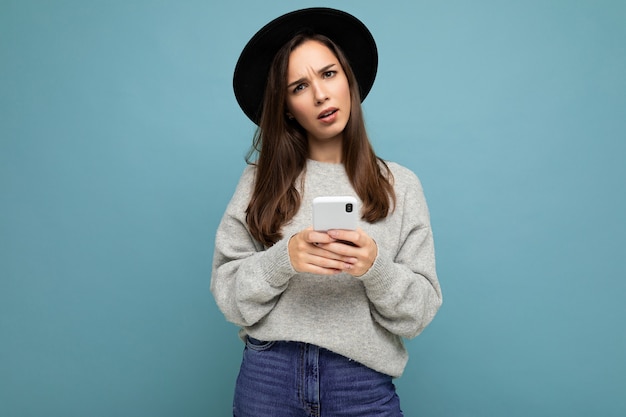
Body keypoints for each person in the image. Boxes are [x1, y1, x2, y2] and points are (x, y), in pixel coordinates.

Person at [211, 7, 442, 417]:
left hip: (361, 382)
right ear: (286, 107)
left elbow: (419, 314)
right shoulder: (258, 182)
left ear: (349, 80)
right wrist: (284, 259)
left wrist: (375, 267)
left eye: (329, 74)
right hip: (269, 377)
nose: (319, 94)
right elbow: (229, 298)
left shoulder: (401, 185)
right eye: (299, 86)